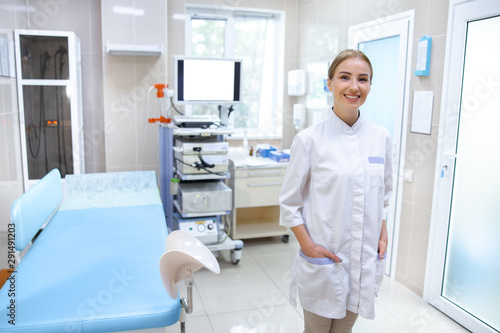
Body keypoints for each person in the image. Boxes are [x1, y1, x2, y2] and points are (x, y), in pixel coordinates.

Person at [279, 49, 393, 333]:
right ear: (329, 83)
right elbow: (289, 203)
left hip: (364, 259)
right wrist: (308, 245)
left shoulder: (381, 137)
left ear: (369, 85)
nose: (354, 86)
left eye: (362, 79)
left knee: (344, 330)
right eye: (345, 77)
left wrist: (383, 230)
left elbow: (385, 194)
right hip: (323, 258)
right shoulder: (309, 140)